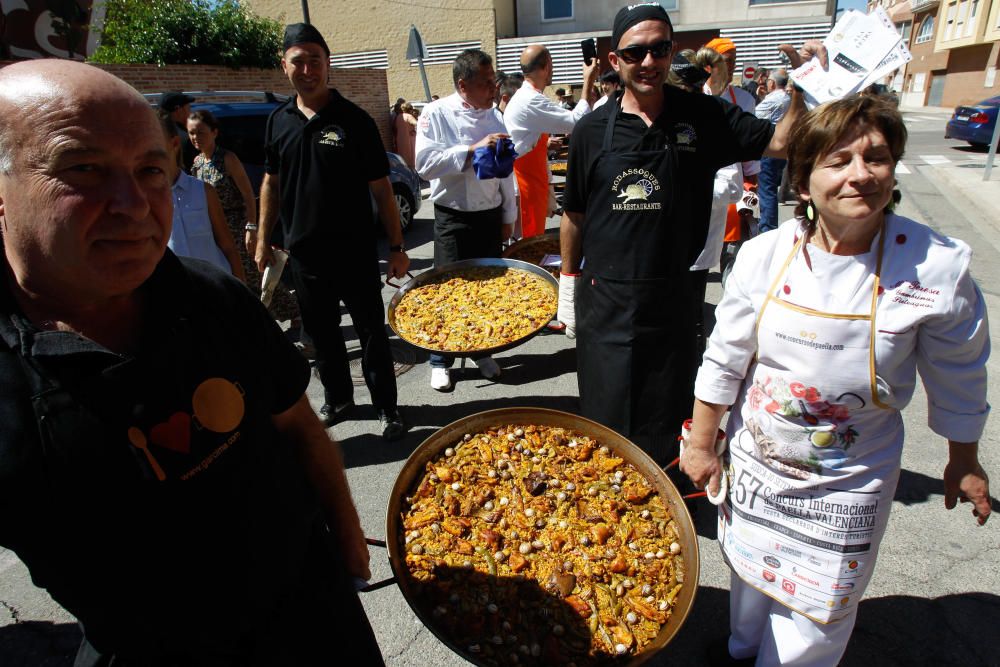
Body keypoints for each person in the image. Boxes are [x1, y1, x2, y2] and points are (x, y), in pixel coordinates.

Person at [0, 59, 384, 665]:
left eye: (151, 170)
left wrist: (347, 539)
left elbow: (299, 427)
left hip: (316, 617)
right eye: (83, 168)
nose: (131, 203)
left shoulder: (213, 296)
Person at [681, 94, 992, 666]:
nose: (860, 175)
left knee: (820, 607)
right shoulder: (763, 255)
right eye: (838, 160)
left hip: (848, 479)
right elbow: (725, 355)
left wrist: (964, 458)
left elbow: (960, 371)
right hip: (758, 464)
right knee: (749, 573)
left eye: (875, 157)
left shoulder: (935, 266)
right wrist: (702, 443)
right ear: (803, 182)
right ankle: (741, 649)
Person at [558, 2, 823, 464]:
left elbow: (782, 142)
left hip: (674, 294)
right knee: (606, 412)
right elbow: (574, 214)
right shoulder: (590, 130)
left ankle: (669, 493)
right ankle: (607, 497)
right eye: (636, 52)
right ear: (616, 60)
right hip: (607, 300)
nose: (649, 62)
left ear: (670, 52)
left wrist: (803, 86)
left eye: (659, 49)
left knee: (668, 403)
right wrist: (567, 282)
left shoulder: (704, 115)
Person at [256, 23, 408, 439]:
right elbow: (271, 182)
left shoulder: (354, 121)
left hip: (355, 252)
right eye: (298, 61)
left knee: (371, 334)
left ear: (328, 64)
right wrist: (262, 239)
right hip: (304, 255)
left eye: (315, 61)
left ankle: (387, 407)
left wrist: (396, 246)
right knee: (322, 338)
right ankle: (339, 399)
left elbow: (381, 189)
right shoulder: (277, 122)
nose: (308, 70)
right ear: (283, 66)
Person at [415, 48, 517, 391]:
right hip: (452, 216)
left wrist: (508, 215)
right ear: (463, 85)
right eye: (487, 83)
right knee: (448, 291)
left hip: (488, 216)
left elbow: (505, 171)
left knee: (487, 290)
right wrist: (473, 150)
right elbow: (425, 165)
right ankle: (440, 358)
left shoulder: (495, 115)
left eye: (494, 81)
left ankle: (481, 350)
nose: (494, 89)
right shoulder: (436, 113)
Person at [188, 109, 299, 322]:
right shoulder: (197, 163)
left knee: (257, 275)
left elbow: (248, 195)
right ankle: (257, 318)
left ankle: (295, 313)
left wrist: (251, 228)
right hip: (216, 229)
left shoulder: (227, 159)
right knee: (234, 276)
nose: (195, 138)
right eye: (191, 133)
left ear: (214, 132)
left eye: (200, 132)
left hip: (238, 227)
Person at [504, 44, 599, 238]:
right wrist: (587, 81)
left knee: (531, 240)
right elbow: (576, 122)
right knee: (526, 246)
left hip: (533, 182)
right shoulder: (530, 100)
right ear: (547, 66)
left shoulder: (529, 97)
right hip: (525, 187)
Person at [157, 111, 244, 279]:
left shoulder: (202, 190)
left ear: (174, 143)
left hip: (214, 289)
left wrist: (241, 291)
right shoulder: (145, 199)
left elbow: (227, 246)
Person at [755, 68, 792, 234]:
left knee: (767, 189)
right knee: (770, 188)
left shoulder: (774, 98)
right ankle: (769, 226)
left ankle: (767, 229)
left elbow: (754, 114)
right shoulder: (787, 98)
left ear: (772, 82)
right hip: (782, 149)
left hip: (769, 148)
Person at [159, 90, 198, 171]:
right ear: (178, 109)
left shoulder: (158, 132)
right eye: (188, 106)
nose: (190, 110)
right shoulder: (186, 138)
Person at [393, 101, 418, 168]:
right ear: (410, 109)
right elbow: (417, 124)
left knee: (403, 155)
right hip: (409, 138)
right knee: (411, 155)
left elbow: (395, 127)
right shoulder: (409, 116)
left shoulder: (398, 116)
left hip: (400, 139)